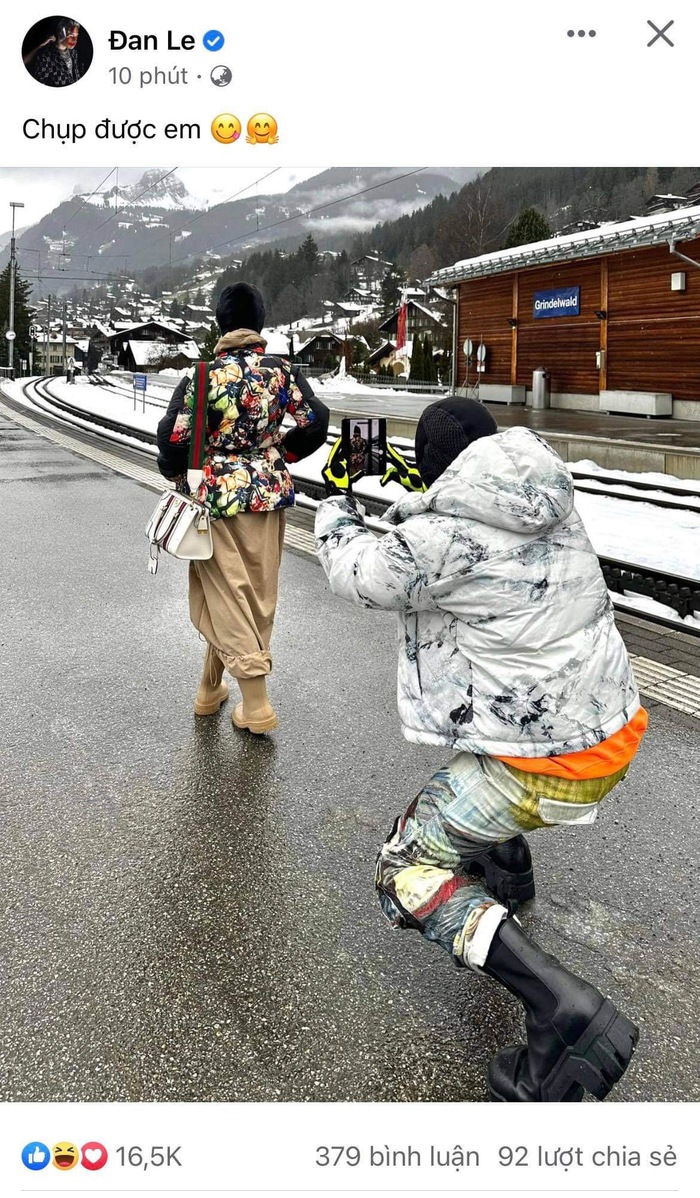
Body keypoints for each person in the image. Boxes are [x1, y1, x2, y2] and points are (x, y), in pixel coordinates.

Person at [315, 398, 646, 1102]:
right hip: (612, 728)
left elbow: (359, 574)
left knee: (404, 867)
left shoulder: (438, 538)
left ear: (436, 469)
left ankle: (564, 1015)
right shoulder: (545, 495)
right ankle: (506, 873)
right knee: (473, 756)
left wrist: (333, 511)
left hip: (547, 763)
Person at [157, 282, 329, 733]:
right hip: (269, 499)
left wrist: (178, 475)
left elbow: (171, 438)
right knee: (252, 595)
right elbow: (317, 420)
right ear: (260, 323)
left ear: (220, 323)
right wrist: (281, 455)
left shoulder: (201, 375)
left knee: (227, 594)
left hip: (215, 500)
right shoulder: (281, 373)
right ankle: (209, 688)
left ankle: (255, 705)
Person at [25, 19, 83, 87]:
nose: (75, 40)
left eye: (76, 36)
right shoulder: (46, 57)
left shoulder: (74, 53)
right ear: (61, 33)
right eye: (71, 35)